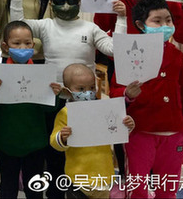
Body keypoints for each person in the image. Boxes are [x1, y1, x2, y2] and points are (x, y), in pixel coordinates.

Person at [10, 0, 119, 199]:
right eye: (60, 0)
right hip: (52, 99)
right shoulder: (46, 26)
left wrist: (122, 18)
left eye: (71, 0)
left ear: (80, 2)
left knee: (84, 153)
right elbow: (17, 26)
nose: (66, 5)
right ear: (51, 3)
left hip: (84, 100)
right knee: (54, 157)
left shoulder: (90, 28)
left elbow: (114, 49)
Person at [110, 0, 183, 199]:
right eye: (157, 21)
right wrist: (127, 94)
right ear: (140, 25)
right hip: (140, 132)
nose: (165, 26)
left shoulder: (177, 55)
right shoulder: (129, 53)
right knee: (138, 187)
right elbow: (114, 91)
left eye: (168, 20)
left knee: (168, 188)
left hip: (174, 133)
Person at [0, 21, 61, 199]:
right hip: (7, 141)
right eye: (16, 43)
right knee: (7, 187)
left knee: (34, 188)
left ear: (33, 45)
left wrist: (54, 94)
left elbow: (50, 109)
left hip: (35, 142)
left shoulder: (42, 73)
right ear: (6, 46)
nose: (23, 48)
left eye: (27, 43)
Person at [51, 63, 135, 198]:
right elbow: (54, 143)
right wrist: (62, 137)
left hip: (104, 176)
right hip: (78, 178)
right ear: (67, 90)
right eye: (81, 89)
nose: (88, 92)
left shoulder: (103, 109)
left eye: (91, 87)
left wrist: (127, 126)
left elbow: (116, 132)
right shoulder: (66, 113)